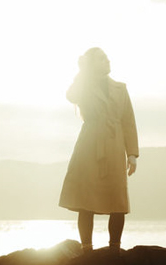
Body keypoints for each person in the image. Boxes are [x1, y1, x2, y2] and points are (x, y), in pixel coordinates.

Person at [59, 47, 139, 254]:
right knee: (86, 199)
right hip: (89, 145)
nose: (108, 61)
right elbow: (70, 95)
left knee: (118, 200)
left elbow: (128, 121)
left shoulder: (121, 89)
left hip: (114, 146)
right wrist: (82, 72)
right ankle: (87, 249)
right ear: (93, 64)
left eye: (107, 58)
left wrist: (132, 154)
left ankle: (115, 249)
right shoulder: (84, 86)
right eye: (103, 59)